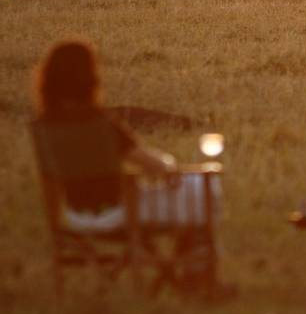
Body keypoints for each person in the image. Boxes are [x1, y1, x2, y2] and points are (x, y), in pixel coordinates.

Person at [30, 40, 227, 295]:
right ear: (90, 79)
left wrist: (56, 228)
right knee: (204, 186)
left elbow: (49, 183)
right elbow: (152, 164)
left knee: (195, 195)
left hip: (77, 217)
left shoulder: (44, 128)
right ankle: (198, 275)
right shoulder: (99, 124)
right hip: (121, 213)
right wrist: (170, 168)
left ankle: (188, 271)